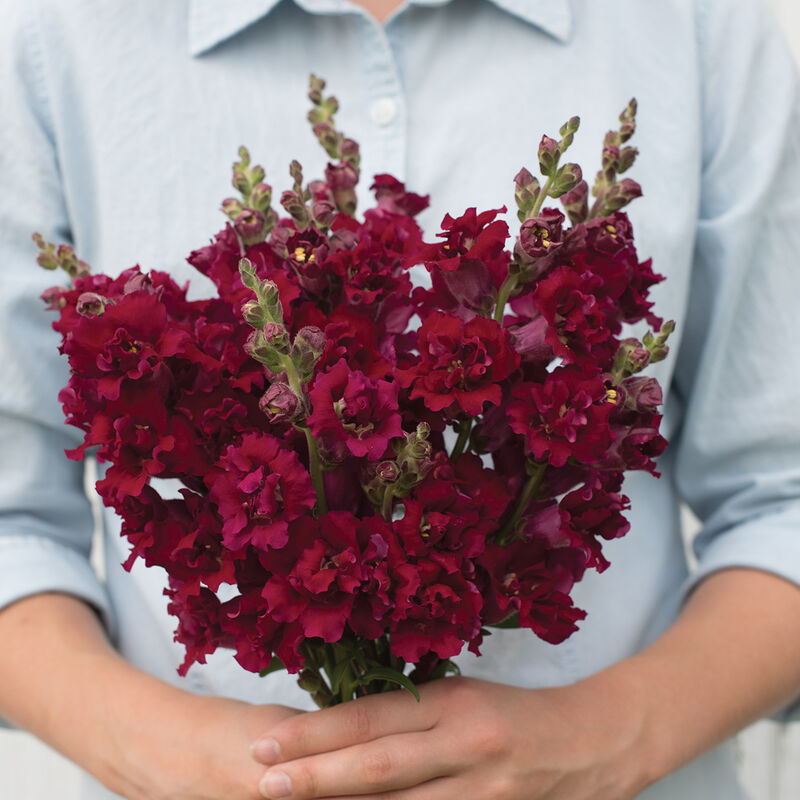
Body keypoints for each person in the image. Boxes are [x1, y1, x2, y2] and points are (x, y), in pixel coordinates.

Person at [1, 0, 799, 798]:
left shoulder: (700, 23)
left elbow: (782, 504)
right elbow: (14, 527)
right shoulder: (57, 33)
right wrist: (150, 747)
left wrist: (613, 736)